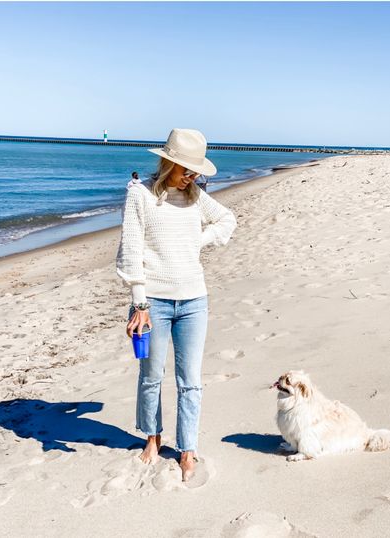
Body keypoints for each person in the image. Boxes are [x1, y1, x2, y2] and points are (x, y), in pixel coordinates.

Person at [116, 128, 237, 482]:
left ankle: (187, 449)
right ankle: (152, 438)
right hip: (152, 302)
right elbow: (131, 250)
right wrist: (139, 303)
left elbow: (227, 220)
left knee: (191, 381)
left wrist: (200, 239)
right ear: (168, 162)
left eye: (196, 170)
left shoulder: (196, 196)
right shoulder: (139, 195)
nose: (193, 176)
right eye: (187, 169)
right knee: (151, 376)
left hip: (194, 300)